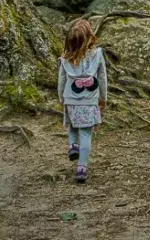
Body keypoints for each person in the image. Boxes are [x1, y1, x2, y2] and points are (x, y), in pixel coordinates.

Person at [57, 18, 107, 183]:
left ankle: (72, 146)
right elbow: (102, 78)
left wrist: (60, 97)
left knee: (72, 123)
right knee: (85, 133)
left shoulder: (65, 58)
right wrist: (103, 98)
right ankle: (82, 169)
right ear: (89, 37)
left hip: (71, 99)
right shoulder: (97, 55)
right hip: (90, 100)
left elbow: (62, 80)